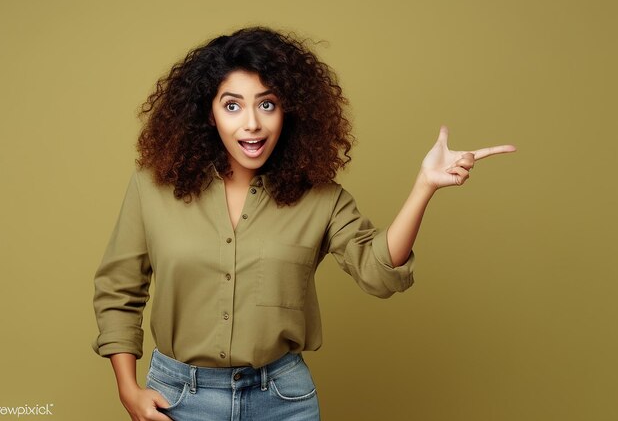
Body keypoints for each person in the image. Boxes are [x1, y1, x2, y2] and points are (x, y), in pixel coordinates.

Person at [92, 26, 515, 421]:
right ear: (208, 113)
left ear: (288, 112)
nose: (252, 123)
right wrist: (127, 386)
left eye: (267, 104)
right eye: (233, 105)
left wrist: (425, 186)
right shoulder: (153, 187)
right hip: (179, 398)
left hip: (282, 400)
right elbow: (119, 287)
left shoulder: (321, 198)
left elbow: (380, 273)